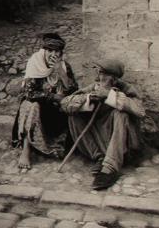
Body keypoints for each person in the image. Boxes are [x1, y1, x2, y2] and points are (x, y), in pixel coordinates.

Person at [60, 59, 146, 191]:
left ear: (114, 79)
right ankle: (100, 157)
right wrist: (88, 99)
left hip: (122, 146)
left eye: (102, 74)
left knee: (121, 114)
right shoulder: (95, 87)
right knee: (74, 114)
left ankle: (110, 168)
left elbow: (140, 111)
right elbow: (65, 104)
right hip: (100, 139)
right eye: (99, 72)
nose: (98, 77)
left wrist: (109, 95)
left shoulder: (127, 89)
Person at [12, 32, 78, 171]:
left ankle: (54, 145)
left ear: (61, 53)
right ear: (44, 51)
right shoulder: (35, 63)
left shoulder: (64, 66)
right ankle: (26, 150)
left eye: (57, 51)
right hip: (38, 106)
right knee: (30, 105)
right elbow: (29, 93)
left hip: (55, 110)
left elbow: (74, 91)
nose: (53, 54)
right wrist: (52, 96)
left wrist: (61, 72)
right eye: (49, 50)